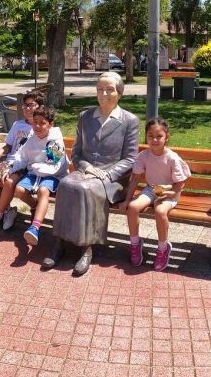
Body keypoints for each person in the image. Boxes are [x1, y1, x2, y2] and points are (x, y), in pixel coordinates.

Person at [44, 71, 139, 276]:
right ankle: (59, 243)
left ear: (119, 93)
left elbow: (130, 159)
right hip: (85, 170)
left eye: (110, 89)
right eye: (100, 89)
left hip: (112, 178)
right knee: (66, 185)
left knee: (86, 189)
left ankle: (86, 248)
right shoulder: (85, 117)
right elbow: (76, 153)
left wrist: (105, 174)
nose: (104, 93)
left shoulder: (130, 121)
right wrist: (86, 167)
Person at [0, 105, 68, 246]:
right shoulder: (32, 137)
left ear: (51, 124)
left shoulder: (54, 140)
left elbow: (53, 166)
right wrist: (11, 169)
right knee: (19, 190)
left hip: (53, 175)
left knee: (43, 191)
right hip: (35, 174)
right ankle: (34, 206)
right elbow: (22, 157)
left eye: (42, 123)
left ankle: (35, 227)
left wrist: (34, 167)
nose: (37, 126)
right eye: (35, 122)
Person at [122, 117, 190, 272]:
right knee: (132, 207)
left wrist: (171, 193)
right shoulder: (143, 156)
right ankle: (135, 243)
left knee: (160, 211)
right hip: (151, 189)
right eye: (150, 136)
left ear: (167, 137)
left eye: (159, 136)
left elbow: (180, 183)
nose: (154, 139)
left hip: (170, 192)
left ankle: (163, 248)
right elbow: (135, 179)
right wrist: (127, 199)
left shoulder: (172, 158)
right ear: (146, 137)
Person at [0, 89, 44, 230]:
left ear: (39, 107)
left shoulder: (41, 127)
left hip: (26, 166)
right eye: (25, 105)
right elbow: (8, 146)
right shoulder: (17, 125)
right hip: (9, 162)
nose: (27, 108)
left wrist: (11, 169)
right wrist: (0, 151)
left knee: (10, 183)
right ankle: (8, 211)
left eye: (31, 105)